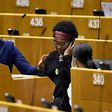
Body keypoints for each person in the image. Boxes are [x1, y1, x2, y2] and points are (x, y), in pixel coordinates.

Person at [37, 21, 78, 112]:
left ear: (72, 42)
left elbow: (67, 79)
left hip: (67, 103)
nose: (58, 47)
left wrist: (67, 57)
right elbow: (45, 80)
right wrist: (40, 70)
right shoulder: (52, 56)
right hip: (51, 103)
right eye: (55, 42)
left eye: (63, 44)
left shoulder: (77, 59)